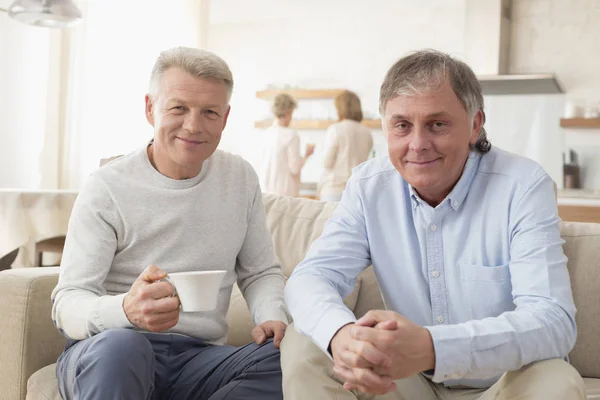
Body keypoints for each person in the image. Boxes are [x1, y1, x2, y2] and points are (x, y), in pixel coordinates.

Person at [282, 50, 585, 400]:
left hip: (503, 385)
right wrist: (341, 335)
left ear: (474, 125)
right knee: (305, 340)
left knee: (555, 378)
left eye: (437, 124)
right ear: (385, 127)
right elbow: (310, 277)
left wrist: (433, 348)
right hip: (404, 384)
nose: (418, 144)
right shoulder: (369, 186)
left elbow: (553, 321)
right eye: (402, 125)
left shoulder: (522, 185)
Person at [52, 47, 288, 400]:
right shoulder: (107, 186)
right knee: (122, 348)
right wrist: (126, 310)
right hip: (111, 348)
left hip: (198, 356)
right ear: (150, 108)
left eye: (209, 112)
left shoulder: (239, 178)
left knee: (288, 359)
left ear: (224, 118)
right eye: (178, 108)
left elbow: (259, 272)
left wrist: (271, 314)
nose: (193, 126)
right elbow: (67, 302)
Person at [319, 90, 373, 202]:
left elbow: (327, 162)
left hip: (334, 190)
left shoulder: (335, 129)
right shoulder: (366, 132)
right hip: (356, 192)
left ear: (340, 109)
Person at [262, 93, 315, 197]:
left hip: (267, 191)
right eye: (291, 113)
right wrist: (307, 155)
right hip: (286, 192)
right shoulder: (291, 135)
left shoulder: (267, 134)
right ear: (286, 112)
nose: (291, 118)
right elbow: (294, 168)